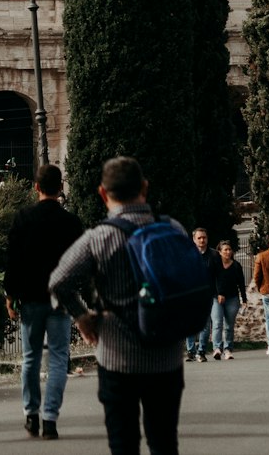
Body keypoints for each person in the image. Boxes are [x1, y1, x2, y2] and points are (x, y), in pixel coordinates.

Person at [49, 156, 185, 455]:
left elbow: (58, 281)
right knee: (165, 442)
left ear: (102, 193)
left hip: (116, 354)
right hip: (167, 354)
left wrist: (82, 316)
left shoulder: (99, 238)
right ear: (144, 188)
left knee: (123, 445)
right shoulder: (173, 229)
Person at [4, 163, 84, 439]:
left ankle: (31, 413)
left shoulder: (23, 219)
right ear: (61, 187)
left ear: (35, 187)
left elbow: (12, 260)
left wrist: (10, 294)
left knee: (30, 358)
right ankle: (50, 418)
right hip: (60, 300)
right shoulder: (72, 223)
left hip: (30, 298)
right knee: (60, 359)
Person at [184, 228, 219, 362]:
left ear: (207, 238)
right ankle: (190, 350)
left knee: (205, 324)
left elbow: (218, 276)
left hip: (208, 294)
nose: (202, 240)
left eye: (204, 237)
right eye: (199, 238)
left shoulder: (214, 255)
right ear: (194, 239)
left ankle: (201, 351)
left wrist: (218, 292)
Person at [211, 241, 247, 361]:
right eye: (225, 250)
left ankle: (228, 349)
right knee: (217, 323)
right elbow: (213, 281)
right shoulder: (215, 265)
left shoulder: (236, 266)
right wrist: (219, 293)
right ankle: (217, 348)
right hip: (216, 298)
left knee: (229, 325)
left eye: (229, 249)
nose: (228, 252)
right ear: (219, 252)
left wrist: (244, 300)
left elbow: (241, 284)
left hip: (232, 298)